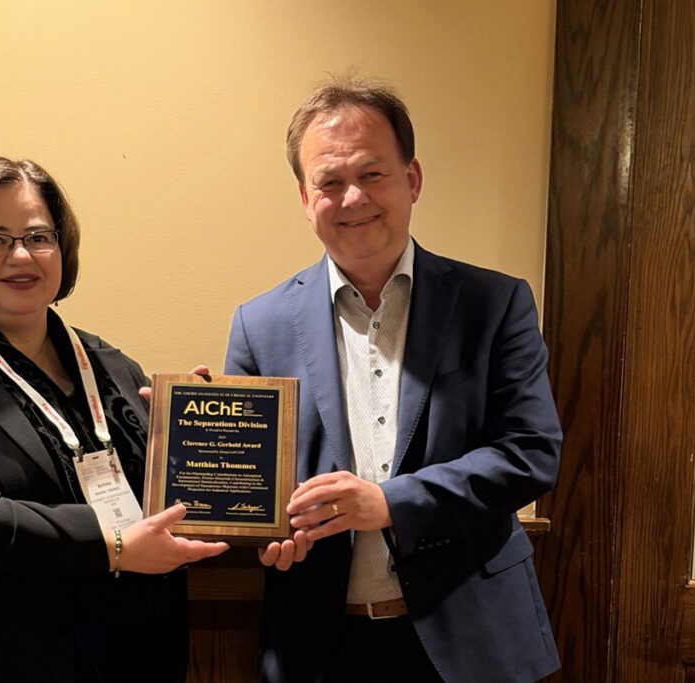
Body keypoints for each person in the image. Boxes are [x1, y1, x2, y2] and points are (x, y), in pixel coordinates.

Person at [225, 76, 562, 682]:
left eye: (372, 174)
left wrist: (387, 503)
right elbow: (260, 491)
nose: (352, 198)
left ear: (412, 180)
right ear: (305, 198)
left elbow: (530, 454)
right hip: (321, 643)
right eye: (329, 182)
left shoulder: (496, 303)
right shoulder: (259, 325)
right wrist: (207, 447)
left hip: (471, 636)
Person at [0, 156, 228, 682]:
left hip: (129, 655)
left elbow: (158, 498)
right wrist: (113, 546)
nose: (22, 255)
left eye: (38, 236)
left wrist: (200, 436)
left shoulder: (110, 366)